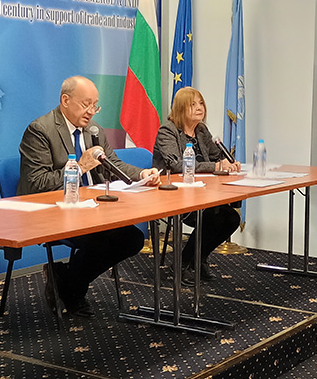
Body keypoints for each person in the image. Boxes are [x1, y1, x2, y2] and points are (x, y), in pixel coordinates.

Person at [18, 75, 160, 317]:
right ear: (65, 100)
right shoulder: (40, 130)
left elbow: (113, 164)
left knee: (133, 239)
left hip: (93, 209)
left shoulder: (93, 130)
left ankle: (64, 282)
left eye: (95, 105)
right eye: (86, 104)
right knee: (98, 241)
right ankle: (72, 291)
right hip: (55, 210)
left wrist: (142, 174)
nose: (92, 111)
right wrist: (80, 167)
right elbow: (36, 184)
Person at [152, 87, 241, 284]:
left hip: (203, 191)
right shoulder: (168, 131)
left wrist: (228, 163)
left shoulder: (201, 130)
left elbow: (216, 157)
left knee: (230, 218)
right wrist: (215, 166)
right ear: (181, 108)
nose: (200, 108)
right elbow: (176, 164)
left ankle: (197, 259)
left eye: (201, 103)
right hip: (174, 193)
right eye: (193, 104)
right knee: (214, 218)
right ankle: (183, 263)